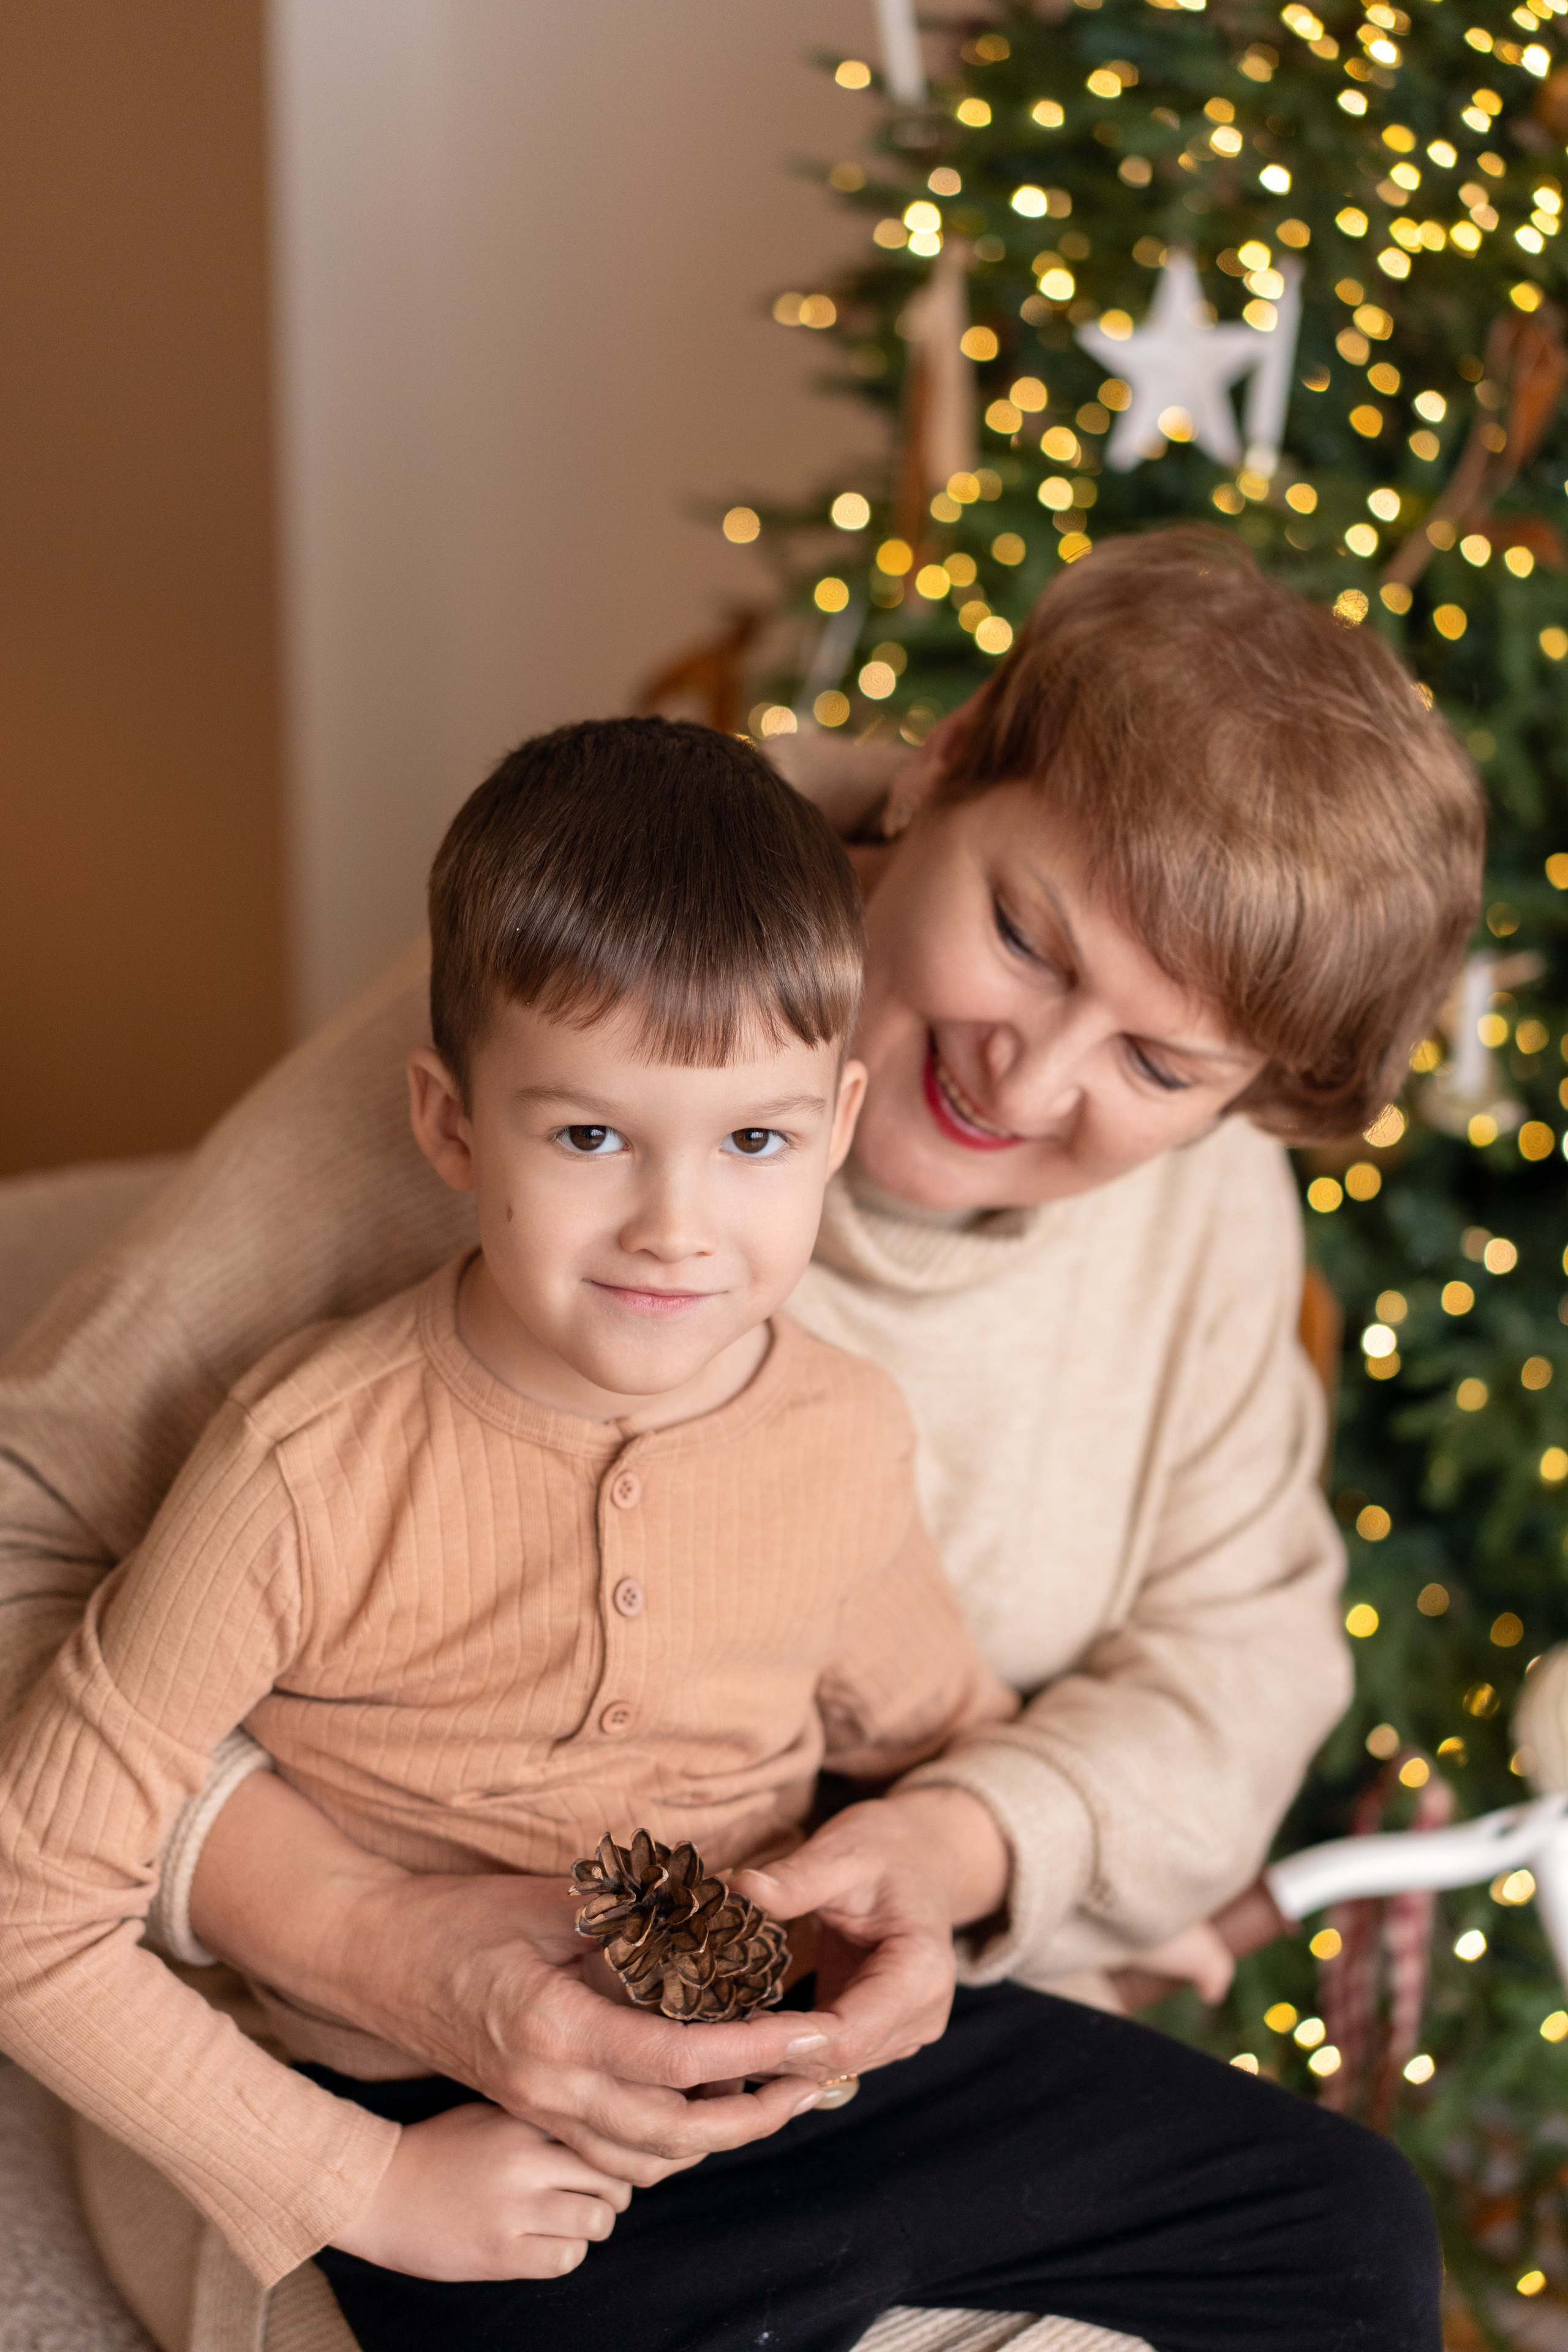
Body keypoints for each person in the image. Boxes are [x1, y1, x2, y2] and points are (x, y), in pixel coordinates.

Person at [0, 528, 1480, 2348]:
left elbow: (1233, 1652)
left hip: (801, 2022)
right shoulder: (581, 1023)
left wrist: (974, 1843)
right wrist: (369, 1936)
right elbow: (28, 1562)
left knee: (1336, 2240)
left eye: (1161, 1069)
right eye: (1023, 937)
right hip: (399, 2088)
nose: (1028, 1078)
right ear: (940, 767)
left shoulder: (897, 1392)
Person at [0, 717, 1020, 2321]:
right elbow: (24, 1898)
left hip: (781, 2068)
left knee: (1337, 2212)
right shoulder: (301, 1457)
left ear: (832, 1126)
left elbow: (946, 1731)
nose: (677, 1231)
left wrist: (938, 1880)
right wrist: (366, 2184)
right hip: (450, 2117)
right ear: (452, 1127)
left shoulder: (845, 1430)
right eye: (591, 1136)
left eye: (752, 1141)